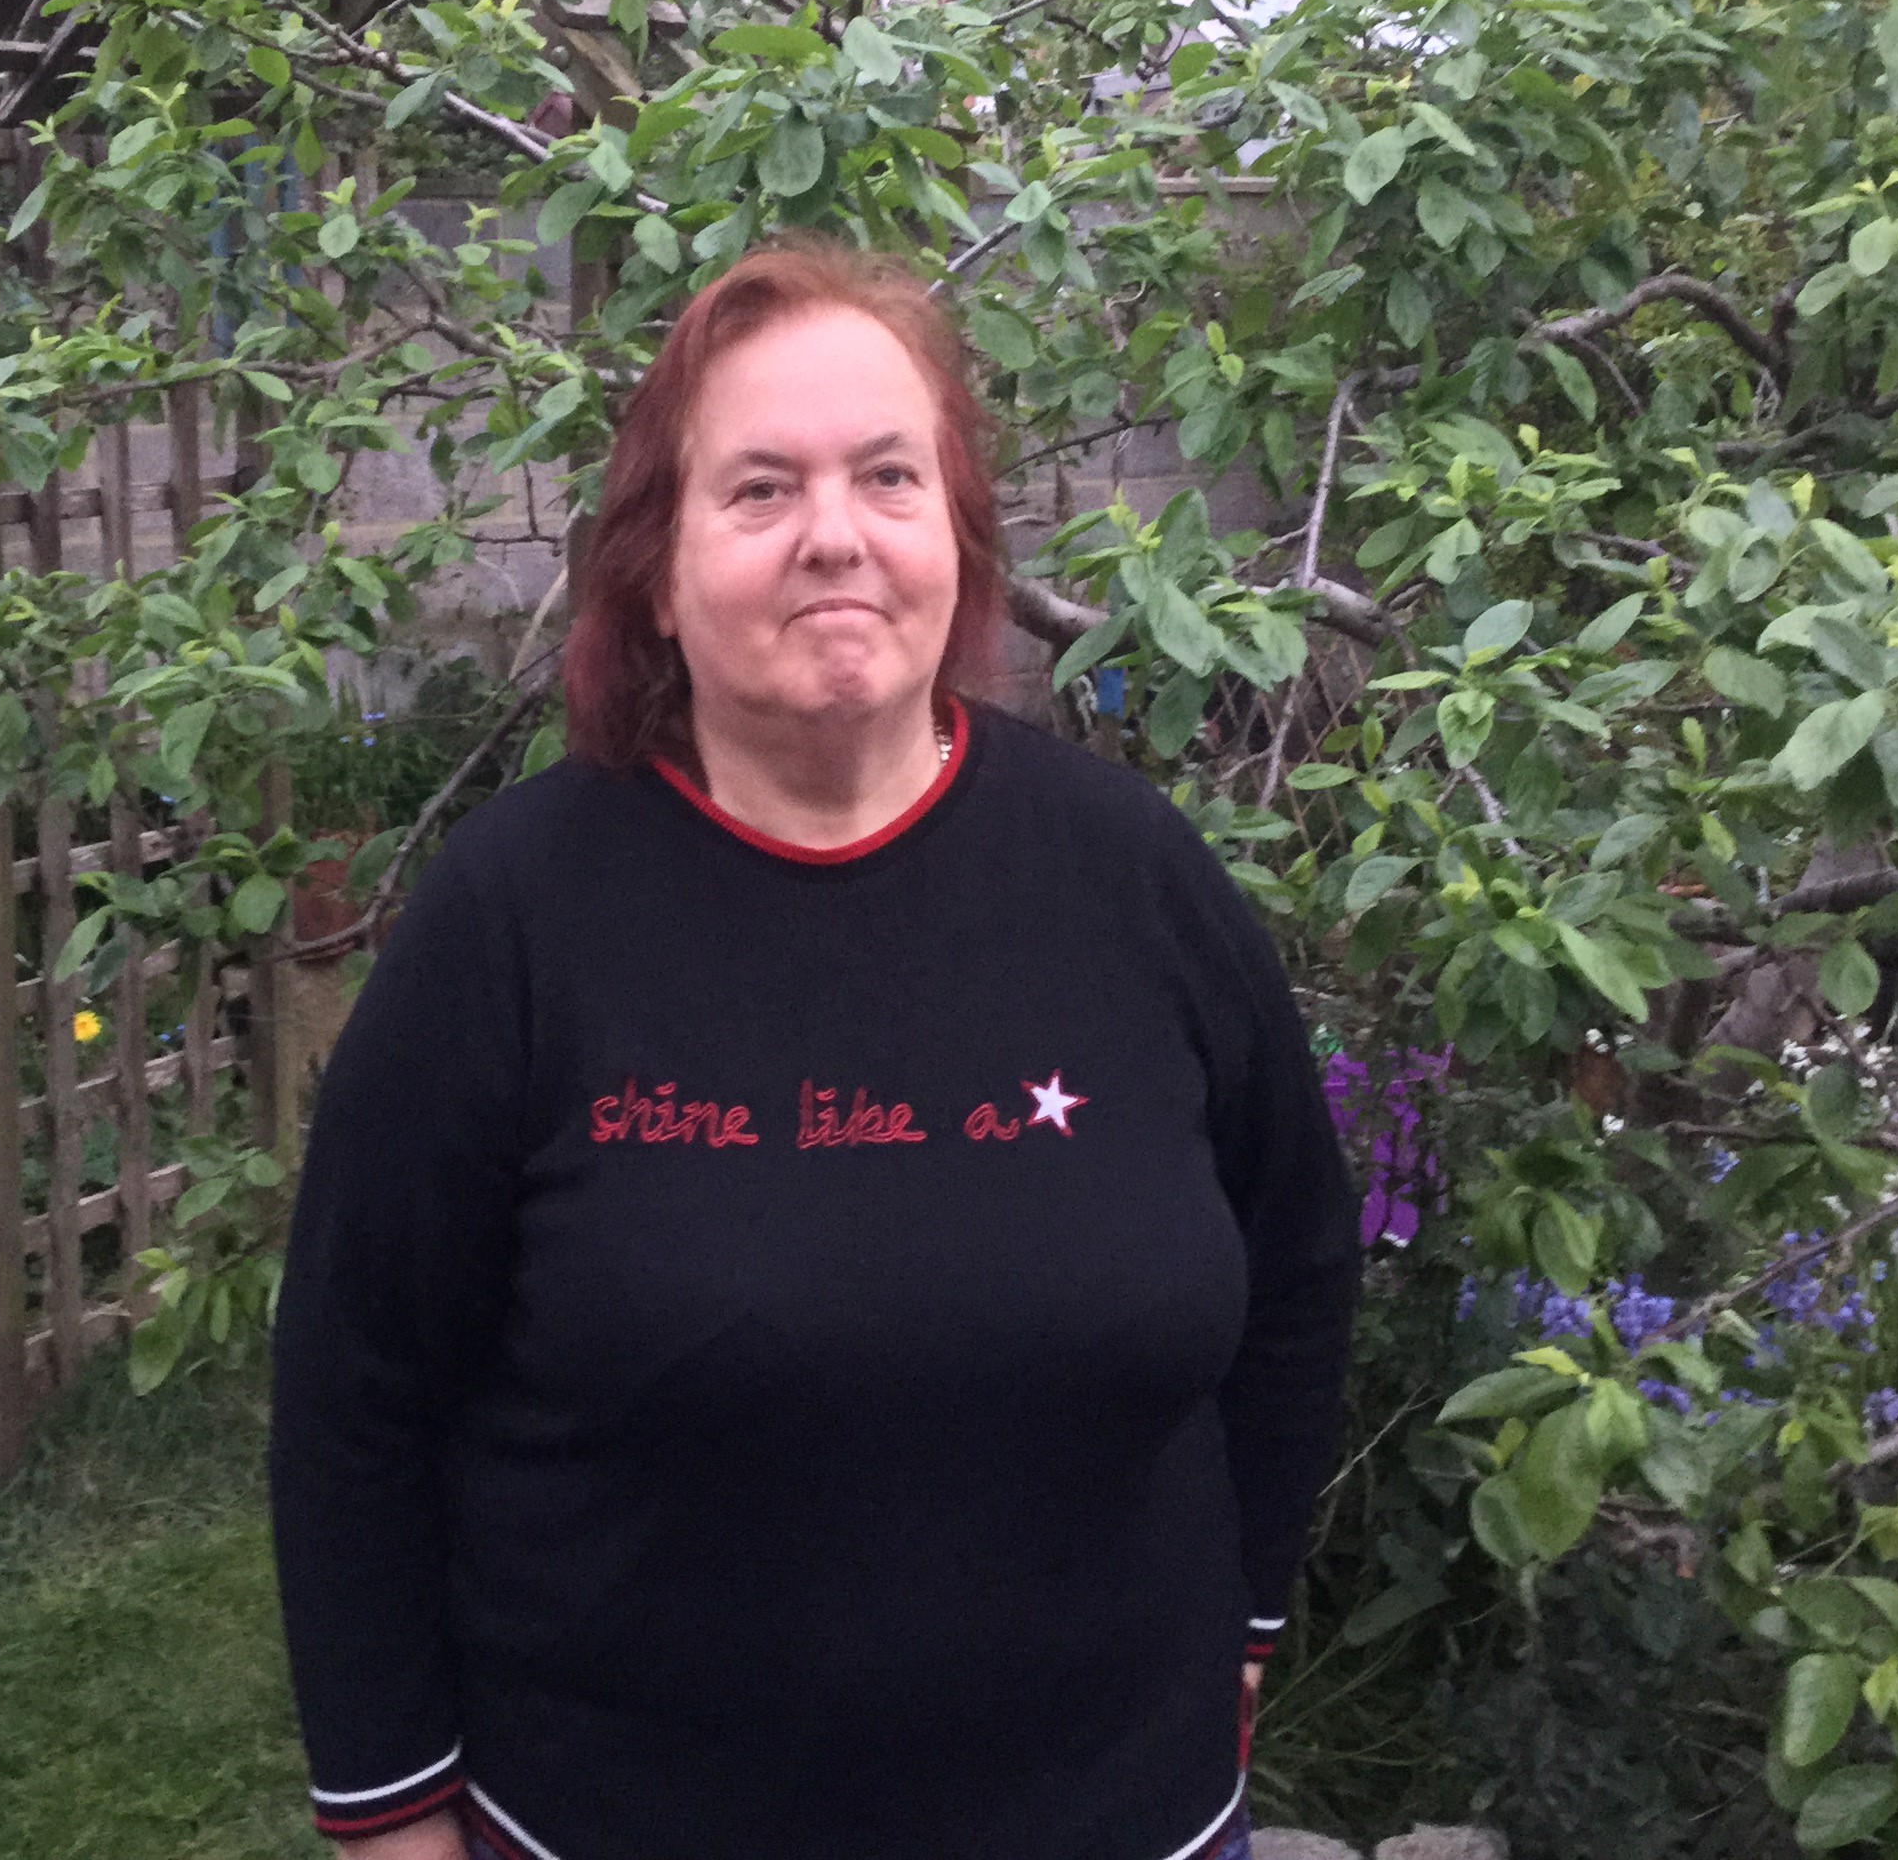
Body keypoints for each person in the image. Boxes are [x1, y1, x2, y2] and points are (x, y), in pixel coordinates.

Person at [269, 239, 1365, 1860]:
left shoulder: (1132, 876)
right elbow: (354, 1391)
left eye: (888, 477)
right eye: (761, 489)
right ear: (657, 573)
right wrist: (392, 1814)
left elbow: (1298, 1261)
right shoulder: (514, 919)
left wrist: (1249, 1620)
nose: (835, 534)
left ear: (958, 540)